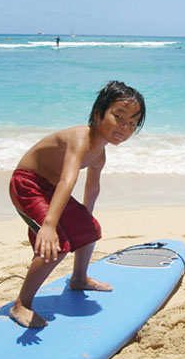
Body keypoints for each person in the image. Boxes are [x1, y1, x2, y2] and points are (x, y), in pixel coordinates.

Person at [9, 80, 146, 328]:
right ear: (97, 113)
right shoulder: (81, 137)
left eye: (132, 123)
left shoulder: (100, 154)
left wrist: (86, 219)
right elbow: (67, 179)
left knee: (90, 229)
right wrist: (49, 225)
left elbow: (92, 187)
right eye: (118, 116)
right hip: (28, 184)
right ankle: (22, 303)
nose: (124, 127)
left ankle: (78, 279)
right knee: (56, 245)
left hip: (50, 189)